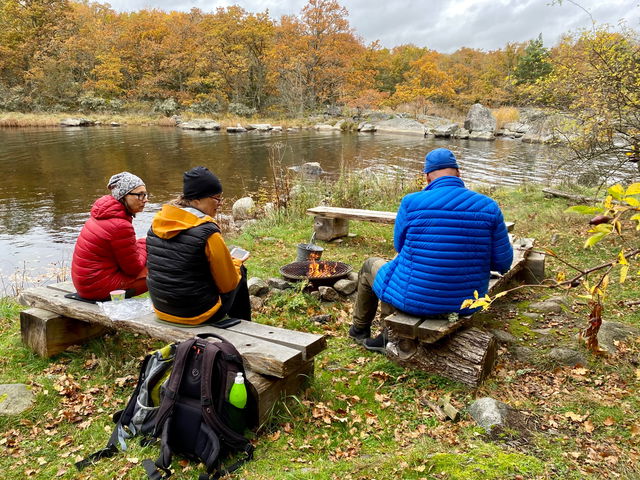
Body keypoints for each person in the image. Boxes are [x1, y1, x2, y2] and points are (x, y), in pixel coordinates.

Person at [348, 148, 514, 352]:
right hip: (466, 303)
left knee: (369, 266)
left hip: (414, 301)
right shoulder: (488, 206)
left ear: (427, 177)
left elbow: (399, 247)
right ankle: (385, 333)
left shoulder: (411, 202)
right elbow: (503, 264)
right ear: (458, 173)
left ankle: (359, 330)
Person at [146, 166, 251, 326]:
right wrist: (235, 263)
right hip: (198, 313)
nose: (220, 203)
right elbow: (228, 285)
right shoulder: (207, 233)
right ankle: (245, 327)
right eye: (216, 198)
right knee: (240, 272)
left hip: (162, 309)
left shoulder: (156, 225)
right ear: (197, 200)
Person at [71, 172, 149, 300]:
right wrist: (146, 244)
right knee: (162, 271)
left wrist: (143, 243)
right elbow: (134, 269)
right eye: (140, 195)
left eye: (145, 194)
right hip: (98, 289)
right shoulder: (120, 225)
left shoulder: (104, 214)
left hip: (87, 284)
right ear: (123, 196)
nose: (145, 199)